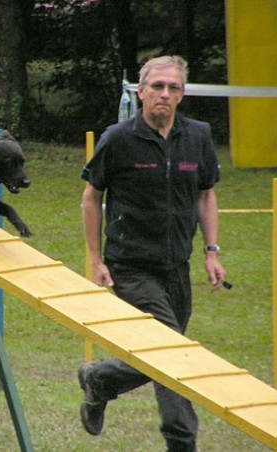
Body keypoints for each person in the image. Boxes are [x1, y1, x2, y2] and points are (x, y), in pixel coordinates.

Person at [78, 56, 227, 451]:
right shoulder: (118, 138)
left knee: (163, 355)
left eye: (173, 87)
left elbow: (206, 194)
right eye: (157, 86)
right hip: (130, 267)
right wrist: (96, 259)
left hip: (177, 265)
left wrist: (211, 252)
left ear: (182, 94)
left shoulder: (198, 136)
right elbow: (92, 197)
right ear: (140, 91)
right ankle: (182, 444)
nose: (164, 94)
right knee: (173, 353)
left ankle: (101, 379)